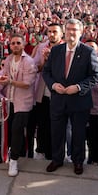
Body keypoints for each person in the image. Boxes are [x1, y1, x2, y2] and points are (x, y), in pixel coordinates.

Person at [42, 18, 98, 175]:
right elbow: (46, 72)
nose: (71, 32)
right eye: (68, 29)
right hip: (58, 100)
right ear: (65, 31)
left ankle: (78, 161)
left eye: (74, 30)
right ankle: (57, 159)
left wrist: (79, 87)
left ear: (80, 32)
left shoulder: (88, 52)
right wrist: (53, 85)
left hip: (79, 101)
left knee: (78, 133)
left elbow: (96, 76)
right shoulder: (56, 50)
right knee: (57, 132)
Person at [0, 34, 37, 176]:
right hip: (10, 100)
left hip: (24, 102)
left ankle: (14, 161)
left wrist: (9, 82)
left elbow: (27, 84)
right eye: (13, 43)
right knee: (12, 130)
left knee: (17, 130)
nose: (15, 45)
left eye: (18, 42)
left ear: (23, 45)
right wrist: (1, 80)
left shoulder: (29, 61)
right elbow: (5, 76)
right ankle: (13, 153)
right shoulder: (8, 59)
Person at [32, 23, 63, 160]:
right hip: (42, 92)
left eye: (55, 32)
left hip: (59, 93)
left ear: (61, 34)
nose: (52, 34)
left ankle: (55, 154)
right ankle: (41, 150)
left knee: (57, 125)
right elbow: (36, 68)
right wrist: (44, 61)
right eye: (49, 31)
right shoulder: (41, 47)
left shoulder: (66, 49)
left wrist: (53, 59)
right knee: (42, 123)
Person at [84, 40, 98, 165]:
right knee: (84, 137)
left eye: (92, 47)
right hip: (81, 108)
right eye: (86, 47)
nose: (89, 49)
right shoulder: (78, 65)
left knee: (95, 137)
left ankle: (95, 159)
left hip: (97, 108)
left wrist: (90, 81)